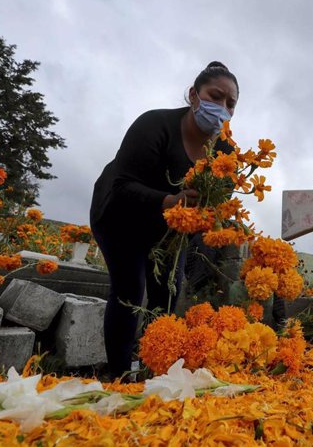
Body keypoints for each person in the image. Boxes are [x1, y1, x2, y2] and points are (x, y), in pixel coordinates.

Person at [90, 62, 239, 378]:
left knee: (167, 294)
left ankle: (154, 371)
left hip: (170, 230)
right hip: (120, 213)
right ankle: (117, 376)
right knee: (130, 288)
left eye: (231, 104)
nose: (223, 108)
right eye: (216, 96)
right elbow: (122, 184)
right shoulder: (154, 125)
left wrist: (210, 217)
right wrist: (170, 201)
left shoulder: (226, 150)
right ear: (193, 95)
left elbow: (220, 199)